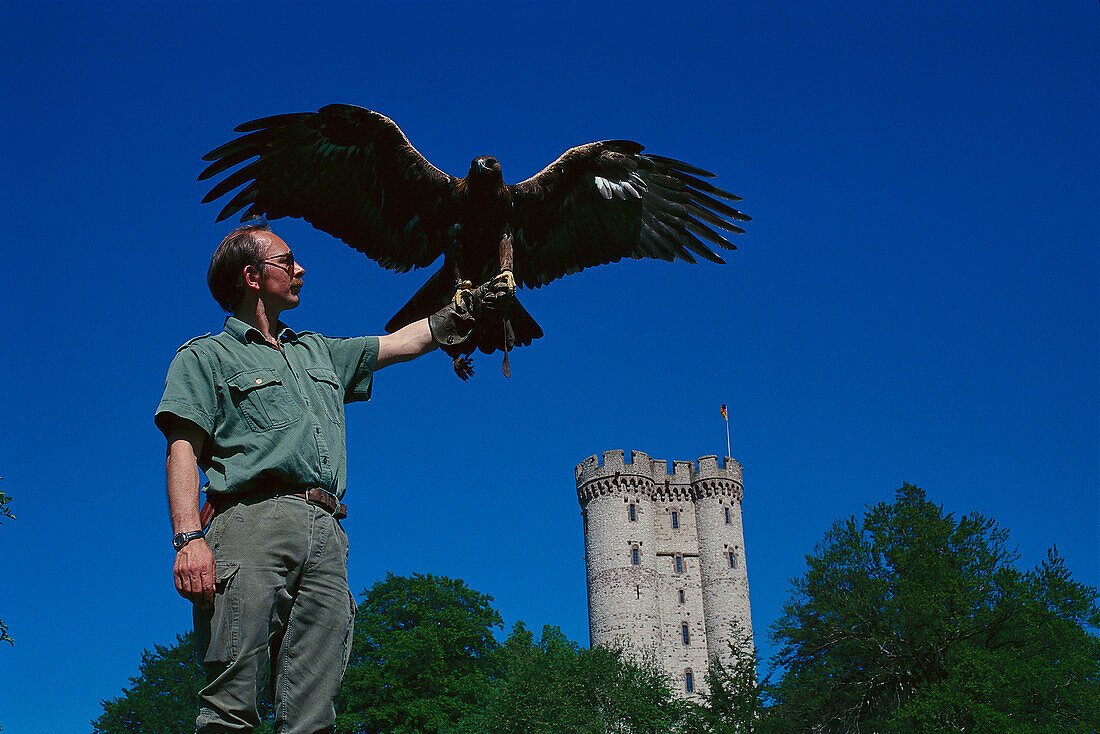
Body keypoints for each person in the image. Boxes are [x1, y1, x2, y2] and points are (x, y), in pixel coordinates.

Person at [155, 219, 510, 733]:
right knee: (231, 705)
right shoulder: (206, 357)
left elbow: (401, 343)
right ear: (252, 277)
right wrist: (188, 538)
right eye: (287, 261)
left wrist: (463, 310)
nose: (301, 269)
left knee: (314, 714)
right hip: (252, 525)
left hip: (327, 532)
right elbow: (182, 449)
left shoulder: (318, 352)